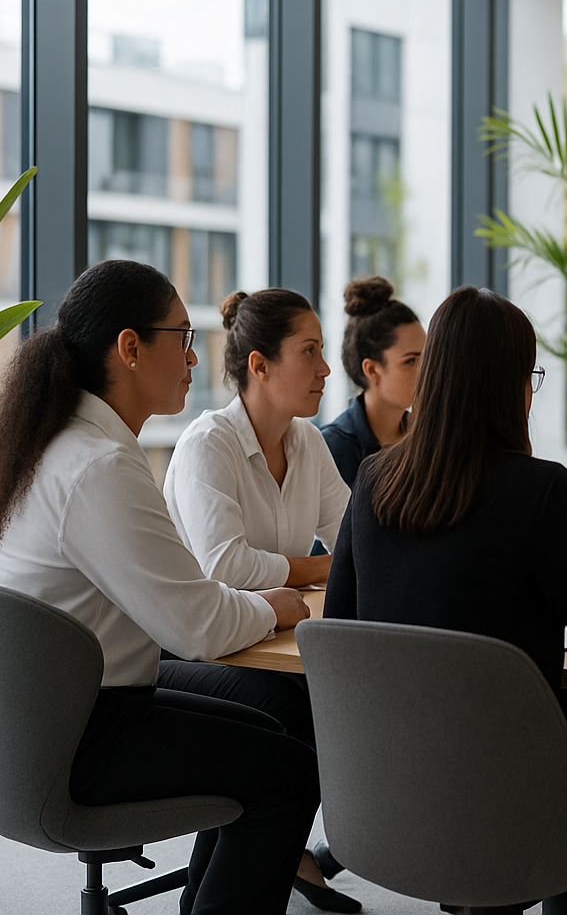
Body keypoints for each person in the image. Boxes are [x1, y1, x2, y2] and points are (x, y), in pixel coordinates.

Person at [323, 285, 567, 915]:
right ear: (512, 386)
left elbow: (340, 628)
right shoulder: (540, 491)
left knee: (564, 776)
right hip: (509, 794)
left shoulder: (375, 478)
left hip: (389, 792)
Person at [0, 259, 319, 915]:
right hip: (83, 731)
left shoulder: (59, 442)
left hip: (53, 712)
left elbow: (185, 609)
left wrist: (252, 600)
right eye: (182, 337)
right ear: (129, 347)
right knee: (289, 773)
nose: (196, 358)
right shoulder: (97, 466)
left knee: (277, 718)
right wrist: (276, 604)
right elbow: (196, 626)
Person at [160, 287, 358, 913]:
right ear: (260, 365)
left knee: (326, 694)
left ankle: (230, 882)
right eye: (311, 352)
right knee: (297, 710)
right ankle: (267, 864)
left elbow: (355, 536)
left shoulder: (307, 443)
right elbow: (226, 567)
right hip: (189, 647)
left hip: (267, 636)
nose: (326, 369)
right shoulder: (207, 445)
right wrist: (319, 568)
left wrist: (316, 569)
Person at [322, 277, 425, 486]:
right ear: (372, 369)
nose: (425, 371)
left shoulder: (426, 437)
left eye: (427, 358)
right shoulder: (332, 448)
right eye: (411, 361)